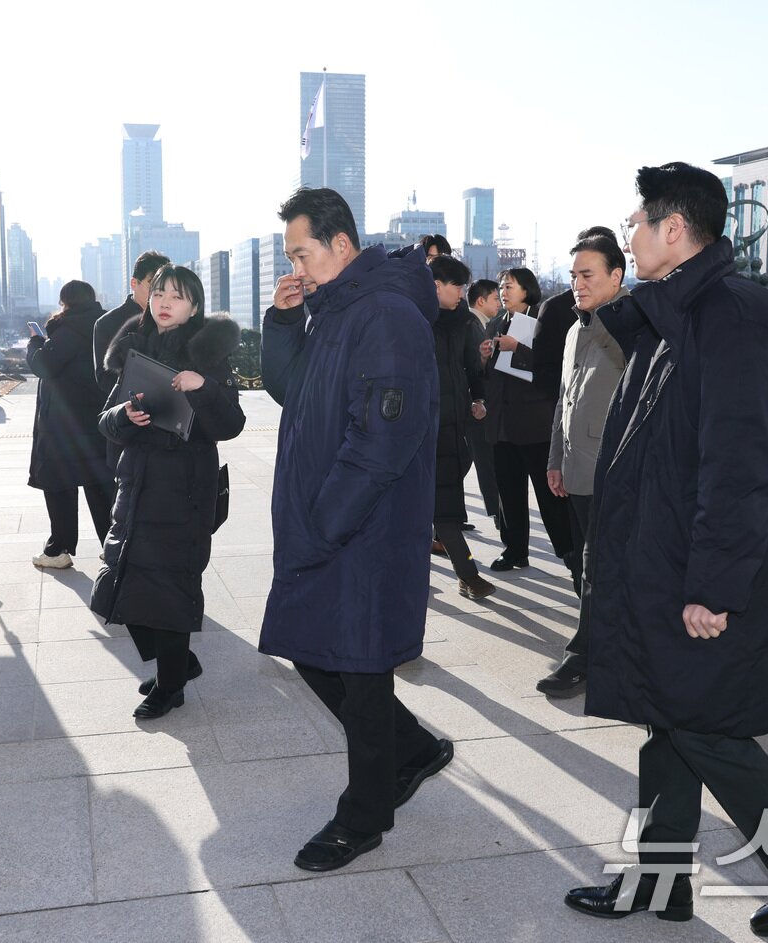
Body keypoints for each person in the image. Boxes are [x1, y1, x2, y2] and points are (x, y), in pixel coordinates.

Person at [565, 162, 768, 937]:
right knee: (669, 715)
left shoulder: (735, 316)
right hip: (668, 562)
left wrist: (714, 586)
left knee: (700, 726)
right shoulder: (675, 315)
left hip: (712, 574)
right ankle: (662, 882)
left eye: (637, 221)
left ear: (672, 230)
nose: (629, 234)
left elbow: (745, 464)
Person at [259, 187, 452, 874]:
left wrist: (326, 521)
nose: (296, 268)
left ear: (342, 245)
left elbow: (383, 436)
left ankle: (365, 815)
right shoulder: (332, 310)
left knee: (359, 668)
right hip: (327, 525)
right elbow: (293, 393)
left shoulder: (386, 314)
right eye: (290, 256)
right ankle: (416, 748)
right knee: (313, 651)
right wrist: (281, 323)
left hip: (362, 530)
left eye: (302, 253)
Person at [89, 265, 245, 718]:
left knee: (169, 591)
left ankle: (171, 685)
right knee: (123, 587)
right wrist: (123, 416)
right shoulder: (134, 349)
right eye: (159, 293)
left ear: (193, 306)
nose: (164, 302)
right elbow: (104, 419)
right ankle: (180, 664)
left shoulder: (207, 354)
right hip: (136, 483)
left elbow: (231, 425)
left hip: (185, 489)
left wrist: (205, 389)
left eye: (176, 296)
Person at [537, 235, 629, 699]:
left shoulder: (637, 329)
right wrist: (556, 459)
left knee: (602, 569)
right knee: (586, 567)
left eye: (587, 274)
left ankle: (586, 655)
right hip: (576, 472)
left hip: (616, 476)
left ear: (617, 275)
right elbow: (564, 401)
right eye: (573, 275)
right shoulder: (576, 330)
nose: (577, 283)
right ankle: (602, 646)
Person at [479, 267, 576, 577]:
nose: (503, 292)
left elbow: (554, 368)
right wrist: (484, 357)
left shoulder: (543, 322)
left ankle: (570, 552)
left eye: (509, 286)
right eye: (501, 286)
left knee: (549, 495)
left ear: (527, 289)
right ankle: (515, 549)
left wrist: (517, 348)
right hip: (503, 422)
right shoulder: (496, 323)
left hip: (535, 423)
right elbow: (493, 375)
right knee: (508, 491)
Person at [26, 280, 115, 569]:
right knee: (100, 487)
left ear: (65, 302)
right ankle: (112, 545)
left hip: (63, 426)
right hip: (96, 421)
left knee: (59, 485)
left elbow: (42, 366)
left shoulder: (67, 331)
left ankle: (58, 549)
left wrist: (36, 342)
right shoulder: (105, 325)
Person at [428, 254, 495, 600]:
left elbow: (472, 365)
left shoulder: (463, 321)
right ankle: (468, 574)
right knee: (441, 504)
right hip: (425, 427)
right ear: (437, 286)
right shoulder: (415, 318)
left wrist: (478, 398)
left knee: (445, 500)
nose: (461, 293)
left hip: (455, 422)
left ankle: (464, 574)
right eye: (458, 287)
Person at [93, 250, 171, 395]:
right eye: (152, 285)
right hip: (129, 408)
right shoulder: (107, 322)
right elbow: (104, 378)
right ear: (134, 283)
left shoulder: (174, 318)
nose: (159, 293)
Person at [465, 279, 502, 522]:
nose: (500, 303)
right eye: (496, 298)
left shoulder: (482, 323)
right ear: (481, 301)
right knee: (485, 462)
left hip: (476, 404)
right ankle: (498, 514)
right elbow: (472, 367)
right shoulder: (473, 324)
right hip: (476, 406)